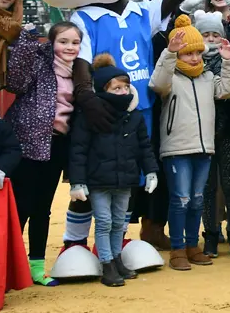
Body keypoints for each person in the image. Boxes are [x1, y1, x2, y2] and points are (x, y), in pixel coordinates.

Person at [148, 15, 230, 271]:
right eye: (188, 53)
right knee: (181, 199)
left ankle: (192, 246)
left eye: (198, 52)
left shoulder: (208, 78)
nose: (194, 58)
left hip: (204, 149)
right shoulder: (171, 78)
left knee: (197, 200)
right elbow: (157, 83)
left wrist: (229, 60)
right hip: (177, 149)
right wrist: (169, 52)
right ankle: (177, 249)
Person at [67, 54, 159, 287]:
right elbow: (78, 149)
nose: (122, 91)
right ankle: (106, 262)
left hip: (125, 179)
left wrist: (150, 171)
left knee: (120, 222)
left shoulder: (133, 116)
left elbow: (144, 147)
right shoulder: (90, 116)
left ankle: (116, 258)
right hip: (99, 180)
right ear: (103, 89)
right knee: (105, 221)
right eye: (116, 88)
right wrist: (77, 182)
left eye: (125, 86)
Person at [5, 21, 82, 286]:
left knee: (43, 208)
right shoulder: (39, 62)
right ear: (51, 43)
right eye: (63, 41)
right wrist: (26, 41)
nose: (69, 47)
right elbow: (15, 81)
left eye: (74, 42)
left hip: (58, 144)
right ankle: (6, 265)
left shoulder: (81, 71)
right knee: (20, 206)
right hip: (28, 142)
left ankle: (36, 265)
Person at [193, 8, 230, 259]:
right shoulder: (192, 60)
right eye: (206, 34)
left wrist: (228, 60)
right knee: (208, 186)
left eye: (216, 34)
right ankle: (211, 234)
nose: (212, 39)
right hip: (201, 131)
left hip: (228, 130)